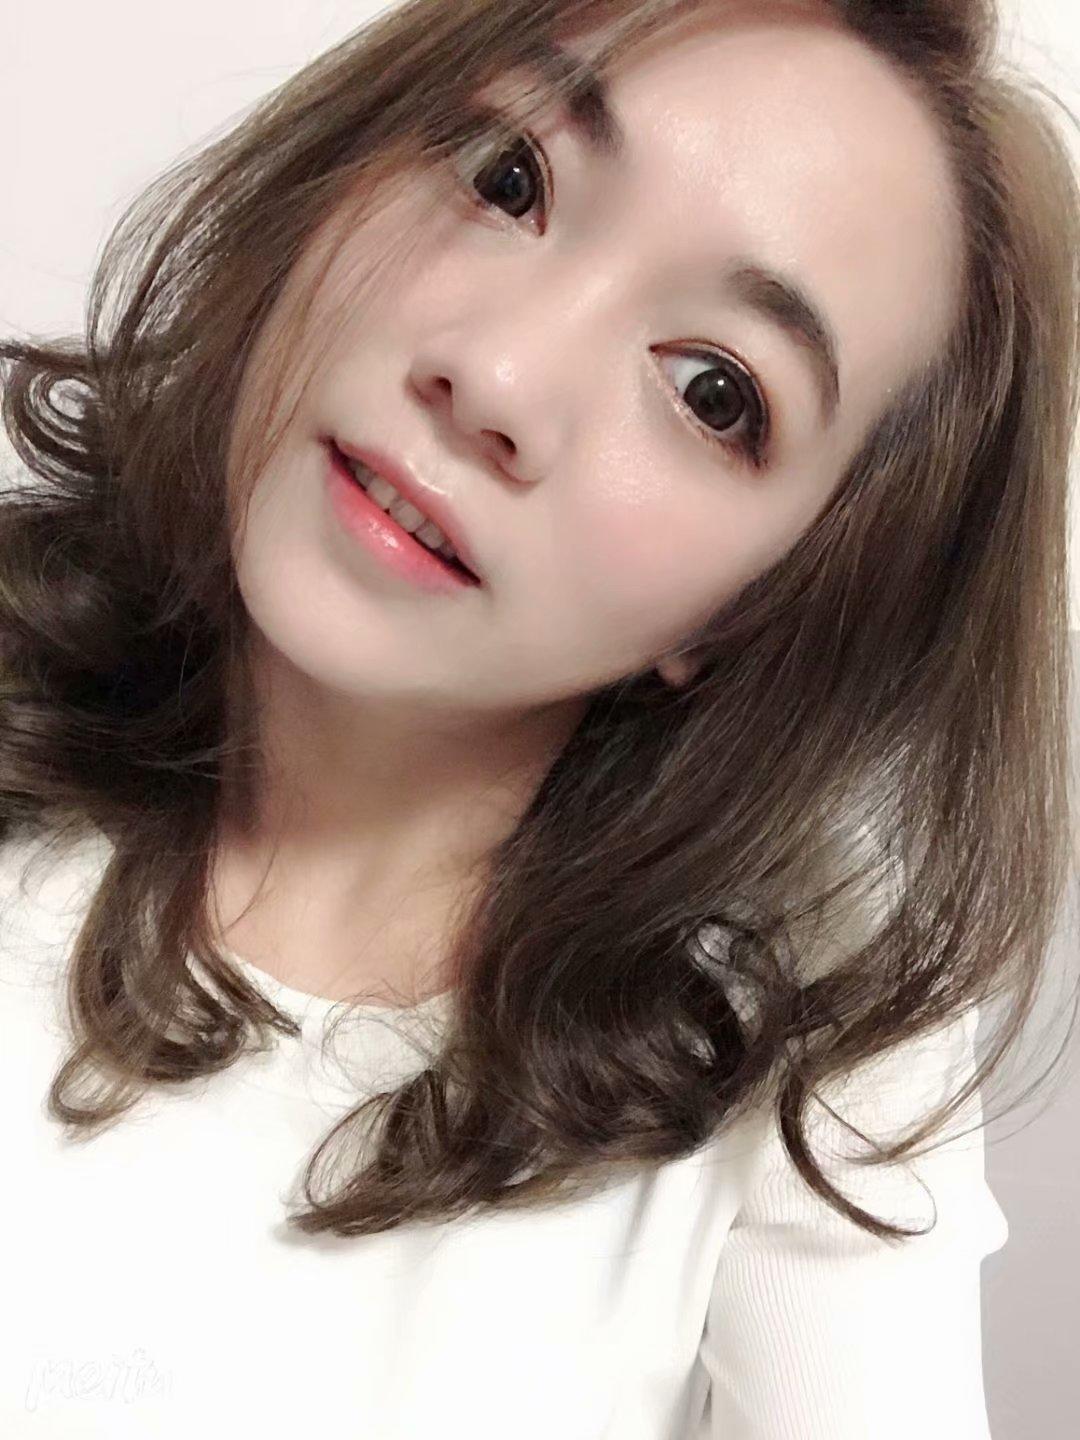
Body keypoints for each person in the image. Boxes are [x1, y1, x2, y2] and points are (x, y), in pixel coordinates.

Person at [0, 0, 1076, 1435]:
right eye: (510, 179)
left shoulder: (796, 1029)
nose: (497, 379)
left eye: (712, 393)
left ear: (757, 608)